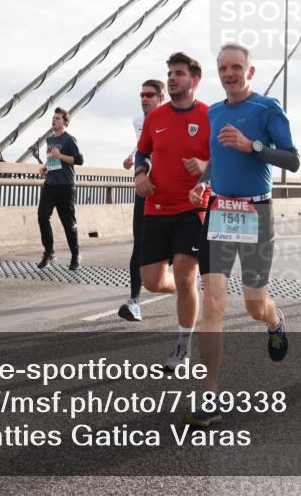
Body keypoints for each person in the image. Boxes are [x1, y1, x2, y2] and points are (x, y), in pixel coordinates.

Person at [185, 43, 299, 427]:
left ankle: (274, 318)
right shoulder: (214, 112)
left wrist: (253, 146)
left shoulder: (268, 108)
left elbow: (293, 159)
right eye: (223, 68)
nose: (229, 74)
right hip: (219, 210)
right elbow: (218, 158)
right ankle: (210, 394)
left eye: (236, 67)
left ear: (250, 72)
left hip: (256, 212)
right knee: (214, 304)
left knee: (253, 307)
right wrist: (203, 182)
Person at [134, 53, 210, 368]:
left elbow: (223, 160)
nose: (172, 78)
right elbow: (142, 153)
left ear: (194, 80)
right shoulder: (156, 118)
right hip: (156, 206)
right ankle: (185, 289)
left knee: (183, 271)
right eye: (169, 73)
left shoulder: (210, 115)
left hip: (192, 208)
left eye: (178, 73)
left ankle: (182, 343)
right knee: (151, 281)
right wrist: (140, 175)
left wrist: (206, 170)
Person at [118, 79, 165, 322]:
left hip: (171, 192)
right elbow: (143, 148)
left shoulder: (172, 118)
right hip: (145, 189)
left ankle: (185, 281)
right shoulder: (139, 122)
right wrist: (132, 159)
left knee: (175, 254)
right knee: (139, 244)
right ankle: (134, 300)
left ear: (160, 98)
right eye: (141, 94)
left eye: (149, 94)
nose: (144, 98)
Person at [36, 108, 83, 270]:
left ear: (65, 122)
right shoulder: (49, 140)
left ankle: (75, 256)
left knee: (68, 224)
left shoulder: (69, 139)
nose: (54, 120)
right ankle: (49, 252)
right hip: (50, 185)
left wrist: (60, 156)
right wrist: (45, 168)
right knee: (42, 217)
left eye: (57, 118)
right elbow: (52, 161)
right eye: (53, 118)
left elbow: (79, 160)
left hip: (65, 186)